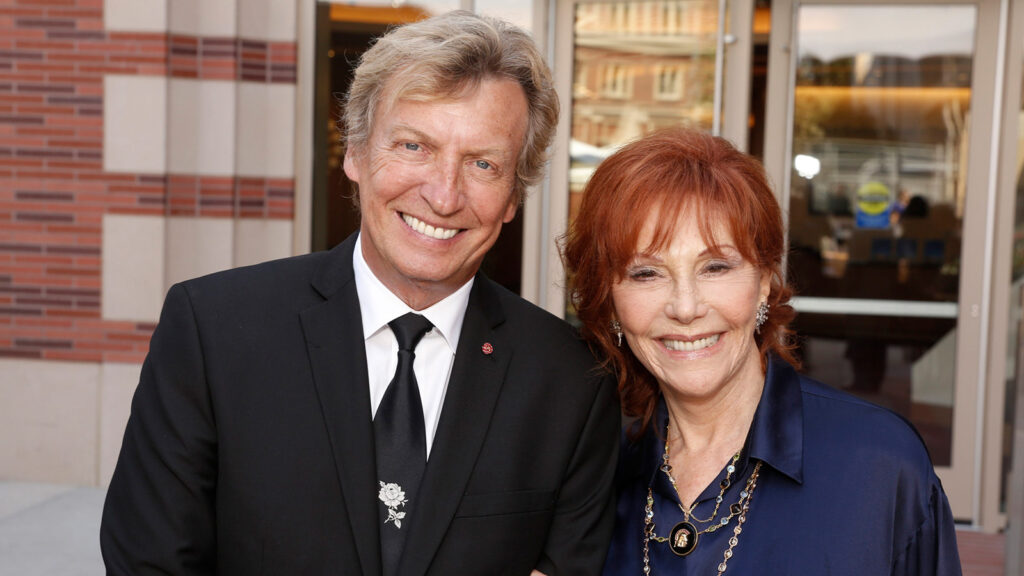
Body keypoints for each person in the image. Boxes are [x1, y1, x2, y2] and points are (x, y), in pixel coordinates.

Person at [101, 11, 619, 576]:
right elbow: (148, 562)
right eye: (414, 146)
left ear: (513, 195)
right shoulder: (213, 332)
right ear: (355, 153)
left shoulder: (571, 382)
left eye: (482, 163)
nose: (444, 197)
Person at [562, 127, 961, 575]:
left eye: (716, 267)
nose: (686, 308)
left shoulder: (879, 466)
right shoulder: (590, 472)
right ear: (609, 299)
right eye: (646, 274)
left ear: (765, 281)